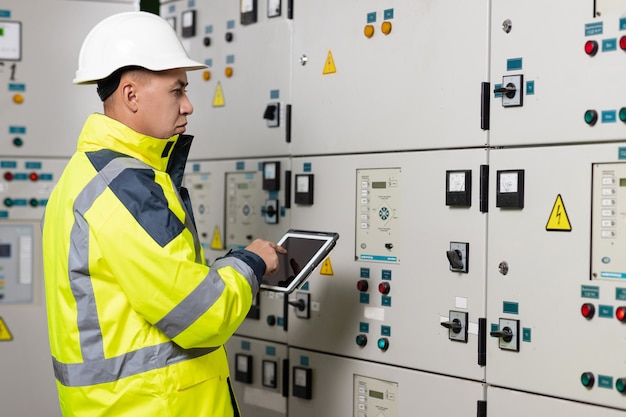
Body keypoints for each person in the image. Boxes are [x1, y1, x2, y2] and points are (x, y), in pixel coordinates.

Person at [42, 11, 286, 417]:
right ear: (131, 95)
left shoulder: (84, 176)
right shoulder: (126, 188)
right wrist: (251, 262)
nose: (188, 106)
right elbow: (203, 314)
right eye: (177, 90)